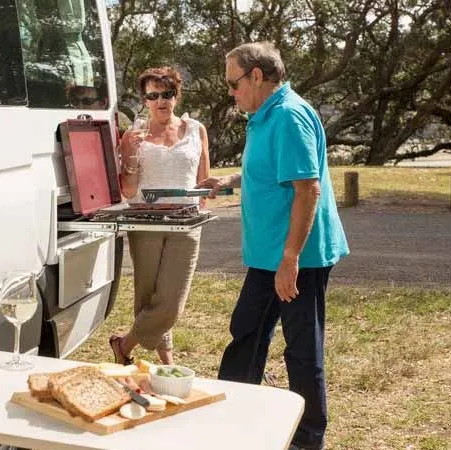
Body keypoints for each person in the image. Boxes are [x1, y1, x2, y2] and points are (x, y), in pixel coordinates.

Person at [197, 42, 349, 450]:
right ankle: (233, 419)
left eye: (233, 84)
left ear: (257, 76)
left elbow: (307, 188)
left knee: (301, 349)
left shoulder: (289, 116)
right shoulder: (264, 116)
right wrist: (228, 182)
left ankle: (307, 438)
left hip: (297, 257)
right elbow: (273, 173)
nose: (231, 92)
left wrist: (290, 259)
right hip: (269, 256)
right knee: (246, 333)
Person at [109, 67, 211, 365]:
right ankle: (168, 363)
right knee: (149, 295)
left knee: (171, 302)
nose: (161, 101)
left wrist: (213, 193)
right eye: (152, 96)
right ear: (145, 100)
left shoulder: (196, 130)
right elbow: (128, 191)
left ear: (176, 96)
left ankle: (124, 345)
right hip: (144, 221)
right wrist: (128, 155)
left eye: (167, 94)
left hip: (187, 223)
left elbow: (203, 183)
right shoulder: (134, 135)